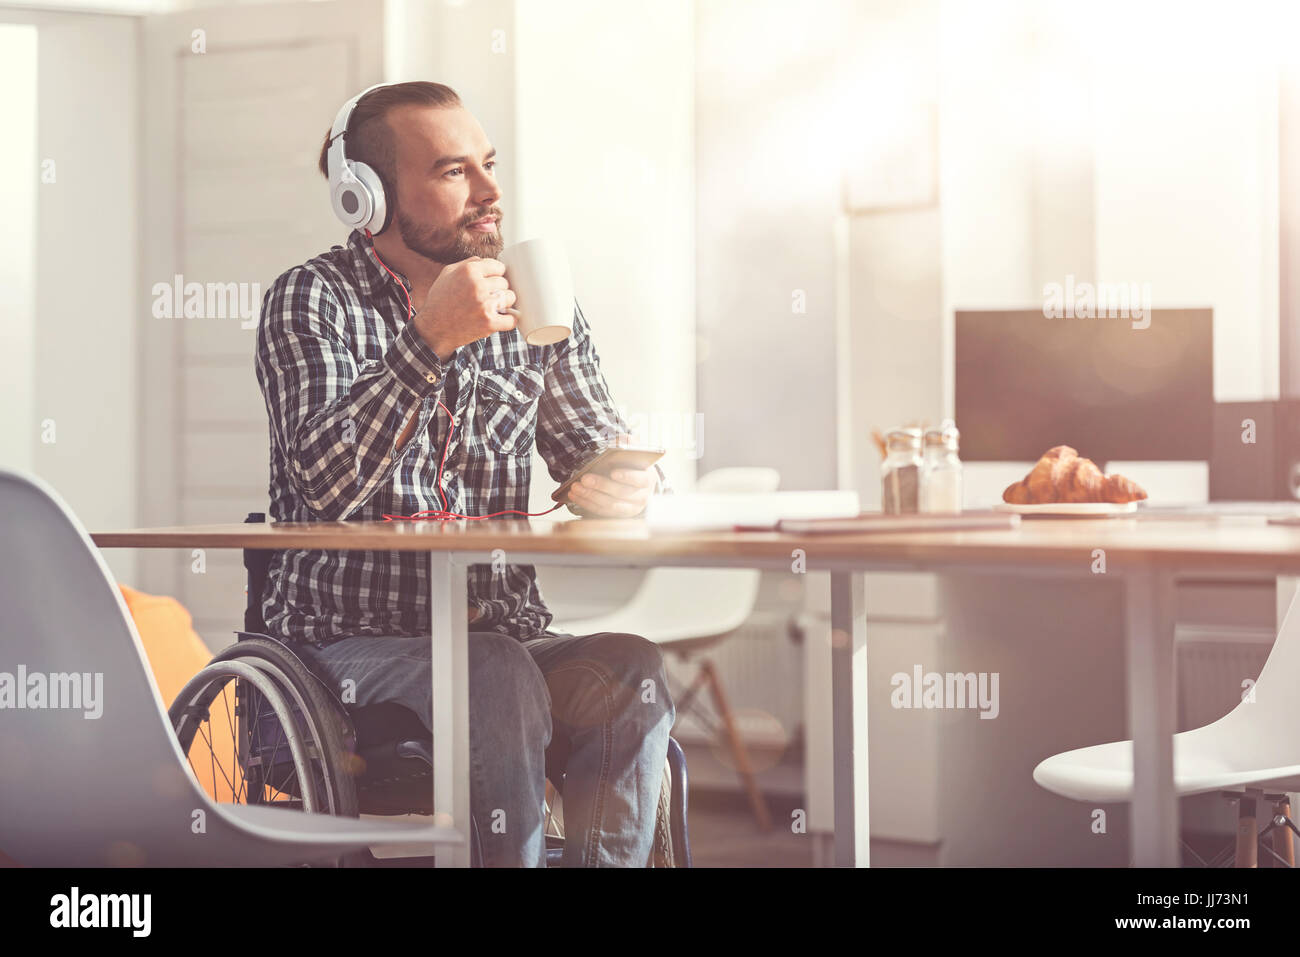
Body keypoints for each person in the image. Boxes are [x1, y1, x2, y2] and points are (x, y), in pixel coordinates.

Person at [253, 80, 675, 866]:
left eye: (487, 164)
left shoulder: (535, 296)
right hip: (343, 652)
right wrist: (429, 341)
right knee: (492, 670)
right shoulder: (311, 301)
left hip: (505, 636)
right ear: (367, 200)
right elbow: (324, 488)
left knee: (629, 667)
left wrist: (621, 482)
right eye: (454, 173)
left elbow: (593, 441)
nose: (490, 192)